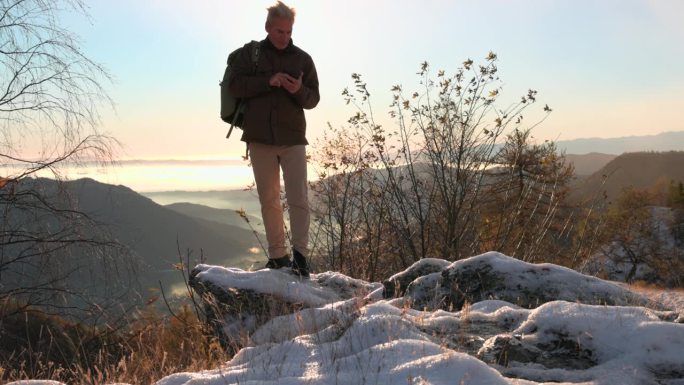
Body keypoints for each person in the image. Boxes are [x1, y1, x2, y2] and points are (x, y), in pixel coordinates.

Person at [228, 1, 319, 277]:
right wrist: (268, 81)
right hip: (259, 139)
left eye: (289, 32)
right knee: (269, 200)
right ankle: (278, 257)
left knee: (298, 199)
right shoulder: (249, 55)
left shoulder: (302, 59)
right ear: (268, 28)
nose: (285, 37)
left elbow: (313, 99)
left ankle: (301, 258)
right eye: (280, 31)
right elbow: (234, 86)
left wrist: (297, 89)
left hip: (293, 139)